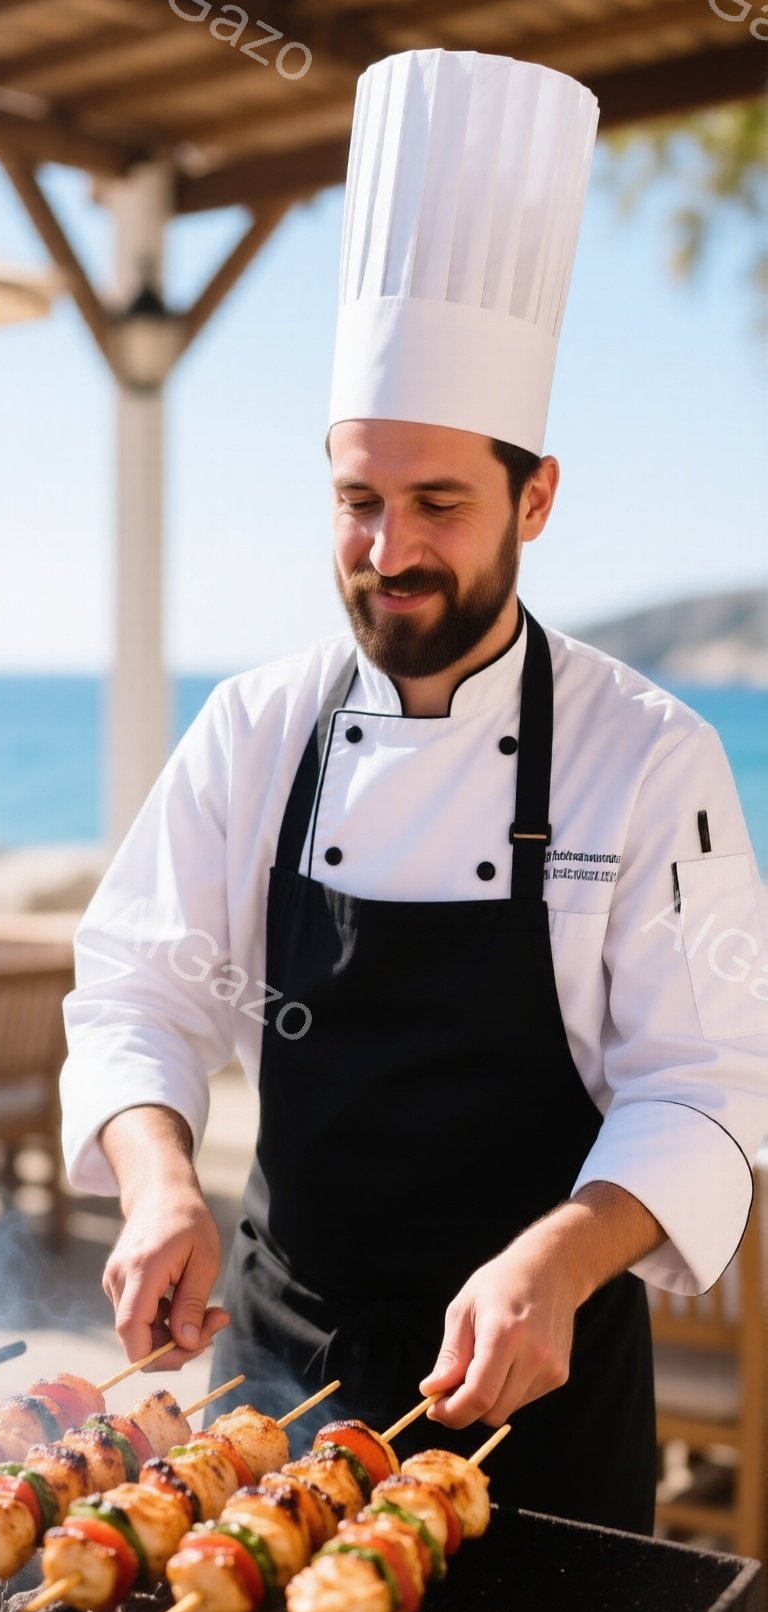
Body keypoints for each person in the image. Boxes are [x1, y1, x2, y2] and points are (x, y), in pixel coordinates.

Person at [60, 48, 768, 1532]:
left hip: (540, 1400)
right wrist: (160, 1184)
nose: (388, 550)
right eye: (357, 501)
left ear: (537, 499)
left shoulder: (650, 757)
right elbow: (136, 987)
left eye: (438, 503)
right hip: (272, 1382)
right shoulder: (253, 730)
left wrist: (559, 1262)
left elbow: (705, 1085)